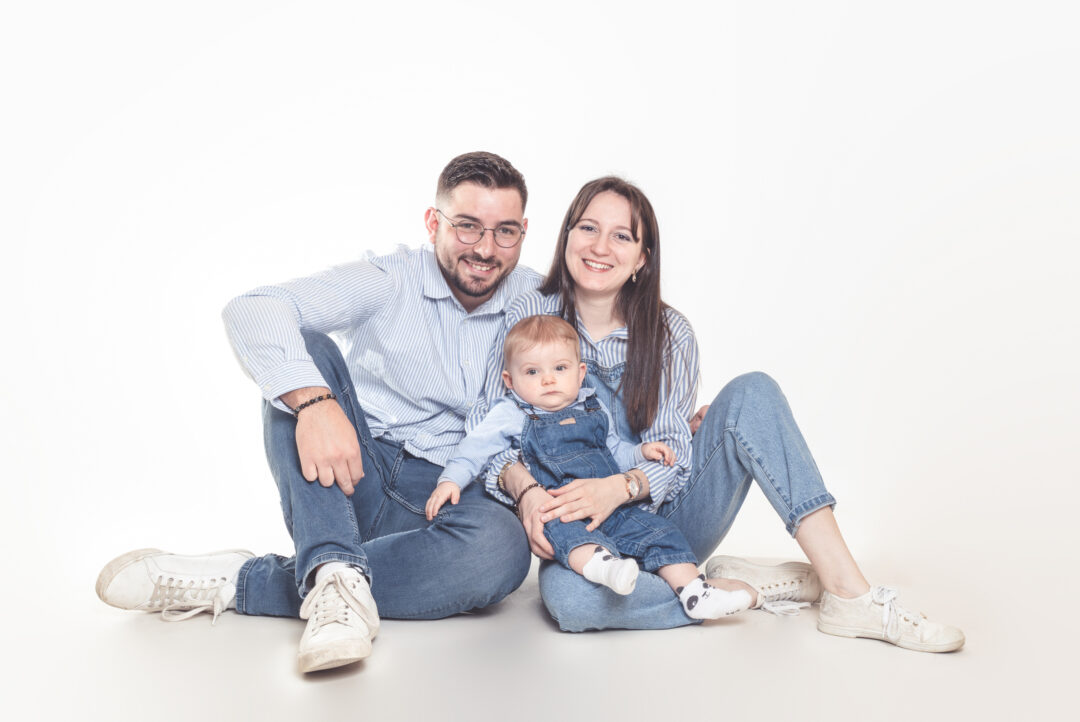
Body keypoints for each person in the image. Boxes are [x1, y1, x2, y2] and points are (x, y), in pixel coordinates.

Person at [95, 151, 544, 673]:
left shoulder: (536, 298)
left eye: (505, 232)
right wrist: (315, 402)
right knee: (305, 350)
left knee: (503, 550)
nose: (485, 249)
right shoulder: (389, 279)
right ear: (433, 222)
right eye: (467, 227)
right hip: (348, 474)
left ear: (523, 232)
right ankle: (331, 558)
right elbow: (255, 308)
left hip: (443, 495)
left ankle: (271, 579)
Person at [486, 176, 965, 652]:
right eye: (588, 228)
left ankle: (847, 592)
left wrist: (620, 485)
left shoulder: (670, 332)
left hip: (667, 519)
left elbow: (675, 453)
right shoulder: (528, 312)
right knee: (574, 604)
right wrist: (525, 491)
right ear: (566, 234)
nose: (600, 247)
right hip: (581, 535)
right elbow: (489, 431)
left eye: (622, 236)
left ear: (642, 257)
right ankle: (743, 592)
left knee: (752, 392)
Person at [426, 315, 752, 619]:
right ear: (510, 381)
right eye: (532, 372)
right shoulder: (511, 413)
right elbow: (474, 449)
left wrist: (641, 452)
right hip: (561, 509)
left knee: (663, 533)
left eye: (560, 368)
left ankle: (696, 593)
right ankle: (604, 567)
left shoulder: (593, 408)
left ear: (580, 373)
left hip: (614, 508)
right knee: (569, 537)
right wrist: (450, 481)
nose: (549, 380)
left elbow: (614, 452)